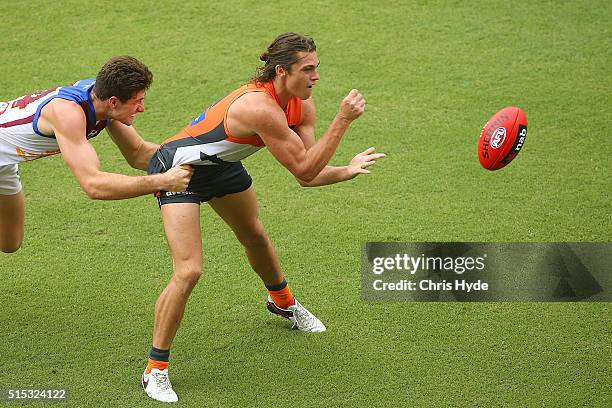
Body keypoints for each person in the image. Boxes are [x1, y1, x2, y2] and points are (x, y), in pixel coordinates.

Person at [142, 33, 385, 403]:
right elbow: (305, 170)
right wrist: (343, 121)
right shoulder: (260, 108)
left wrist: (346, 170)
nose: (316, 76)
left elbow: (309, 170)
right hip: (179, 170)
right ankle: (155, 370)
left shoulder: (300, 104)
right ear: (282, 70)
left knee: (254, 235)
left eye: (317, 67)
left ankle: (283, 302)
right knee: (189, 270)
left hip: (223, 168)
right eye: (308, 69)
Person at [0, 56, 193, 253]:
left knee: (9, 243)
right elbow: (93, 185)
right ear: (114, 102)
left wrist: (197, 158)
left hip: (5, 163)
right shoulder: (68, 113)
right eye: (138, 102)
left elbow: (138, 153)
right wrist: (163, 181)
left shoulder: (104, 99)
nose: (142, 109)